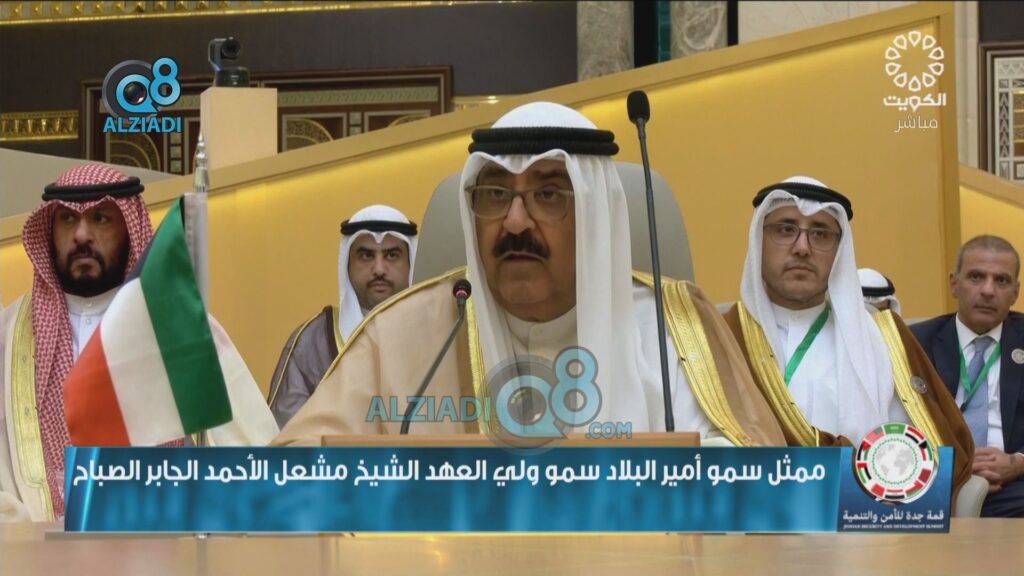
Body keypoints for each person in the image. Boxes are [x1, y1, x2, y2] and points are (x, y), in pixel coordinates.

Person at [274, 101, 785, 447]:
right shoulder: (402, 335)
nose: (515, 222)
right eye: (496, 193)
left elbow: (750, 478)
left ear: (595, 215)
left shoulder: (674, 329)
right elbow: (295, 470)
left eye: (548, 194)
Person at [0, 164, 276, 522]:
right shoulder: (10, 334)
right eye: (67, 219)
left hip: (156, 539)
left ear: (129, 229)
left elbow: (255, 456)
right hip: (33, 546)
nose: (81, 235)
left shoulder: (181, 327)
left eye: (100, 218)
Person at [721, 176, 972, 496]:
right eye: (785, 229)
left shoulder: (881, 341)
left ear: (839, 251)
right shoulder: (720, 338)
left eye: (820, 234)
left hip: (857, 518)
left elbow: (921, 458)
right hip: (743, 515)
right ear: (759, 241)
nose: (802, 248)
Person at [268, 205, 417, 427]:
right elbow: (287, 434)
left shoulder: (439, 333)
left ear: (411, 263)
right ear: (347, 264)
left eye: (392, 255)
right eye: (366, 256)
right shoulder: (311, 343)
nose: (379, 269)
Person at [912, 235, 1024, 517]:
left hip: (1014, 487)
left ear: (1015, 292)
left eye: (1001, 281)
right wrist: (952, 464)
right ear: (954, 284)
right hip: (935, 477)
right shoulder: (915, 343)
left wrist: (1018, 462)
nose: (988, 291)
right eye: (976, 277)